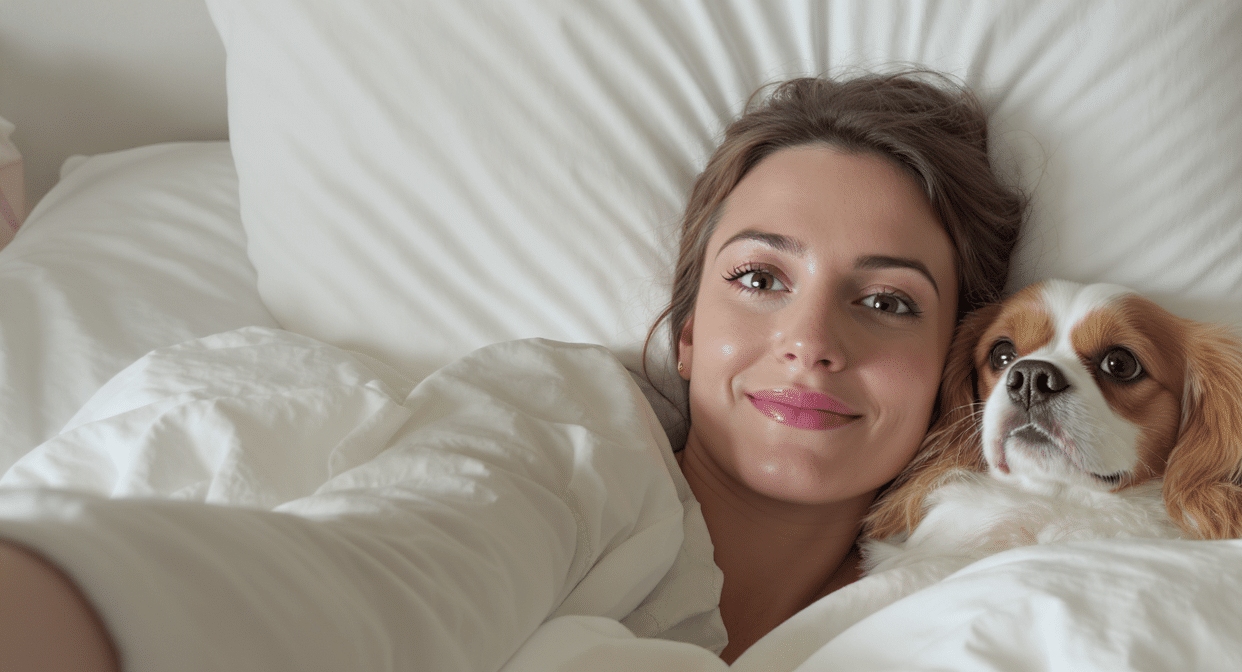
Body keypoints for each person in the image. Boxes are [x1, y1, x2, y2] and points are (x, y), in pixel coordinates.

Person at [0, 70, 1026, 670]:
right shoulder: (566, 433)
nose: (810, 339)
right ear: (682, 333)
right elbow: (398, 568)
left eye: (885, 300)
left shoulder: (971, 600)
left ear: (952, 368)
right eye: (759, 277)